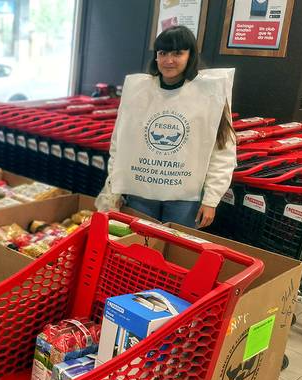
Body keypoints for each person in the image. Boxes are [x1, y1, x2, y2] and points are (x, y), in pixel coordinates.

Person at [97, 25, 236, 229]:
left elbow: (223, 151)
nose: (168, 60)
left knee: (176, 250)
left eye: (177, 53)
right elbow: (121, 144)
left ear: (191, 56)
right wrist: (114, 187)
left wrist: (211, 200)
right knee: (139, 245)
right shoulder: (139, 93)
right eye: (163, 53)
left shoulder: (210, 94)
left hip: (184, 197)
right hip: (141, 190)